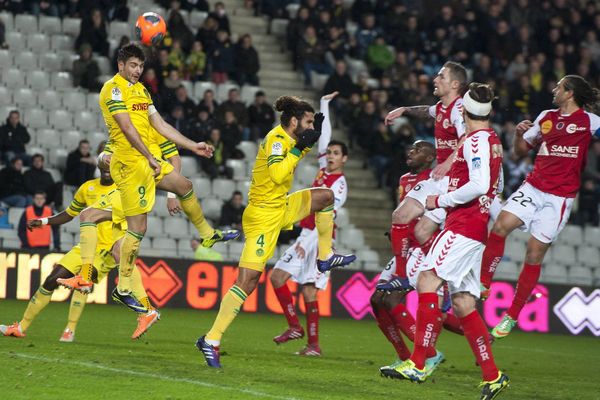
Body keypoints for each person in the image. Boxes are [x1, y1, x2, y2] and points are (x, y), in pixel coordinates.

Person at [58, 44, 239, 306]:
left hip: (144, 162)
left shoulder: (142, 90)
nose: (137, 70)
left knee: (184, 185)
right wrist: (149, 156)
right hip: (129, 165)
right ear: (120, 65)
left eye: (141, 66)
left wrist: (193, 145)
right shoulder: (113, 89)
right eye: (133, 65)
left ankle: (207, 234)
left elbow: (160, 124)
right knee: (138, 229)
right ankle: (123, 286)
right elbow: (127, 127)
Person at [196, 95, 357, 368]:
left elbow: (291, 162)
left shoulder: (288, 138)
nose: (308, 127)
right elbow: (279, 174)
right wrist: (300, 148)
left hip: (280, 206)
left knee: (325, 196)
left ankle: (325, 256)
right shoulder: (276, 139)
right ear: (293, 121)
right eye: (306, 123)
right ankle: (211, 339)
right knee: (247, 281)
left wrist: (306, 143)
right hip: (262, 217)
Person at [381, 83, 509, 400]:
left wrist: (441, 199)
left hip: (463, 224)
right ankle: (493, 376)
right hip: (473, 227)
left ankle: (420, 362)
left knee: (426, 280)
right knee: (464, 303)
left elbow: (479, 185)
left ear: (463, 110)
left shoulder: (476, 141)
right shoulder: (490, 139)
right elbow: (492, 184)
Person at [480, 75, 600, 339]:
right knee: (500, 226)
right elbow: (519, 152)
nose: (554, 89)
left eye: (558, 87)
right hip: (533, 187)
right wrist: (519, 134)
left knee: (534, 255)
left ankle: (511, 315)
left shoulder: (590, 122)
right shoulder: (546, 117)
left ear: (569, 94)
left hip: (559, 199)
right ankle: (484, 282)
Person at [372, 141, 462, 375]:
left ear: (431, 157)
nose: (411, 152)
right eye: (410, 148)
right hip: (405, 248)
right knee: (376, 300)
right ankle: (403, 356)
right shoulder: (403, 180)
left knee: (392, 300)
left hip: (423, 248)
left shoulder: (435, 180)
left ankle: (428, 354)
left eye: (418, 150)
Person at [269, 92, 348, 356]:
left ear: (344, 159)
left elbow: (328, 218)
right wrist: (324, 104)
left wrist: (307, 243)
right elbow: (323, 139)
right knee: (296, 285)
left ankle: (310, 341)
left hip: (318, 238)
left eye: (337, 154)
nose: (332, 156)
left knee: (300, 287)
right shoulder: (325, 170)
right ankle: (300, 332)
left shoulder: (340, 184)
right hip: (307, 233)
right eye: (331, 153)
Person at [378, 61, 467, 292]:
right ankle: (403, 275)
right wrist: (404, 109)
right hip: (440, 180)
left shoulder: (459, 109)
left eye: (441, 77)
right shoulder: (441, 108)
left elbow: (468, 137)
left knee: (421, 229)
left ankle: (443, 284)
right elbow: (425, 110)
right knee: (404, 219)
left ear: (455, 84)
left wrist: (448, 162)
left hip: (456, 181)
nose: (435, 80)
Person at [1, 167, 116, 341]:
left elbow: (133, 217)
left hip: (106, 249)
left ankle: (70, 330)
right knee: (51, 280)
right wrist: (44, 221)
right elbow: (69, 214)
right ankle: (20, 327)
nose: (108, 168)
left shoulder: (123, 190)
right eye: (104, 164)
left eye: (111, 165)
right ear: (99, 167)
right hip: (83, 247)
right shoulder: (87, 188)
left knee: (83, 280)